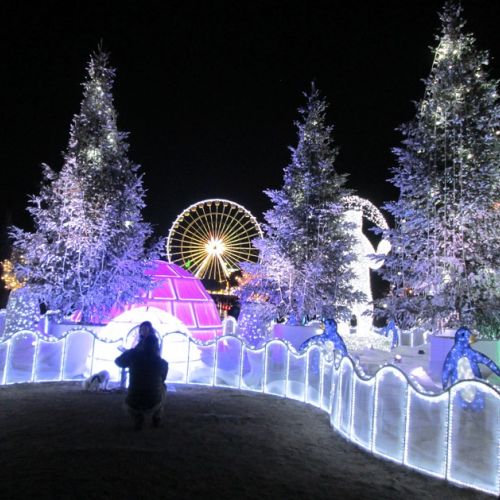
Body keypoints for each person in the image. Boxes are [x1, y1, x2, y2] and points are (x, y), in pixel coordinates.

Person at [115, 334, 169, 430]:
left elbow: (118, 361)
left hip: (132, 402)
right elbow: (163, 379)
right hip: (154, 402)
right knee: (163, 387)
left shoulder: (134, 356)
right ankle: (157, 415)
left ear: (142, 344)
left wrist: (131, 352)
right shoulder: (162, 363)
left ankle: (137, 417)